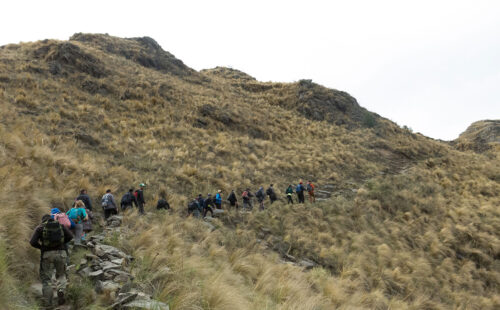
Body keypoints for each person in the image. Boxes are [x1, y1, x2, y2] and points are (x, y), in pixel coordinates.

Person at [30, 214, 73, 307]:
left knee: (46, 279)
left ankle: (48, 303)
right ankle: (61, 290)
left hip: (47, 255)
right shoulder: (60, 225)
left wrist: (41, 247)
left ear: (43, 220)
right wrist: (62, 243)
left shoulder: (40, 227)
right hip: (61, 254)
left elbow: (32, 242)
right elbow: (70, 236)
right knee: (61, 275)